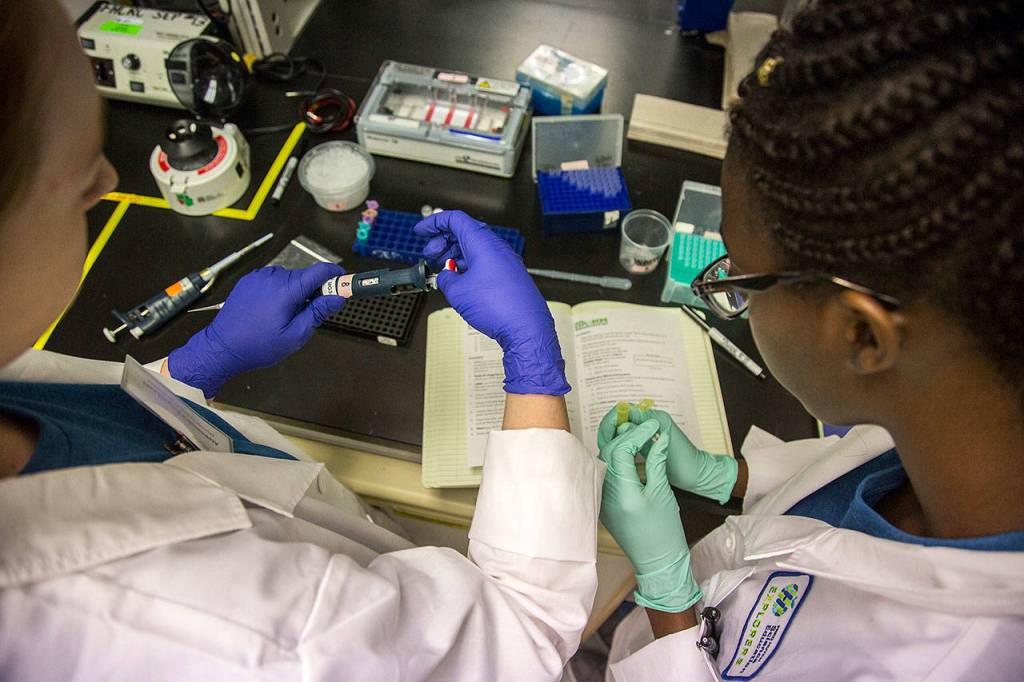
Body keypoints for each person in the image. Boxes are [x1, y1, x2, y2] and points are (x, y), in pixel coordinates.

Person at [0, 3, 653, 679]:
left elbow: (109, 442)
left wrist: (188, 371)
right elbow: (520, 637)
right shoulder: (220, 625)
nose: (111, 182)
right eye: (84, 177)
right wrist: (534, 362)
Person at [596, 1, 1024, 679]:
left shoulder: (953, 661)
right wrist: (725, 476)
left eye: (739, 278)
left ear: (861, 333)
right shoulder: (964, 413)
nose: (731, 294)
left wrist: (670, 604)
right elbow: (854, 469)